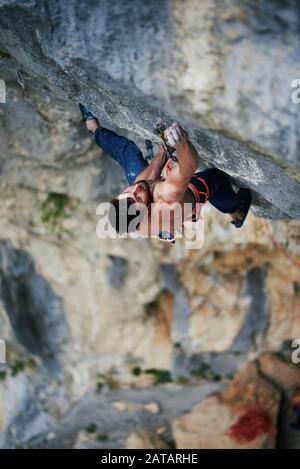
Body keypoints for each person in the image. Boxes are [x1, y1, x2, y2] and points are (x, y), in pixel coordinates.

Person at [79, 104, 251, 242]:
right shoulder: (166, 197)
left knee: (127, 154)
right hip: (187, 201)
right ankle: (236, 212)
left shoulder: (131, 214)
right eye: (138, 198)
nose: (135, 190)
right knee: (216, 178)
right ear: (145, 210)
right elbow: (188, 168)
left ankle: (94, 128)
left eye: (127, 193)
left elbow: (148, 176)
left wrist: (164, 149)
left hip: (154, 220)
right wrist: (181, 141)